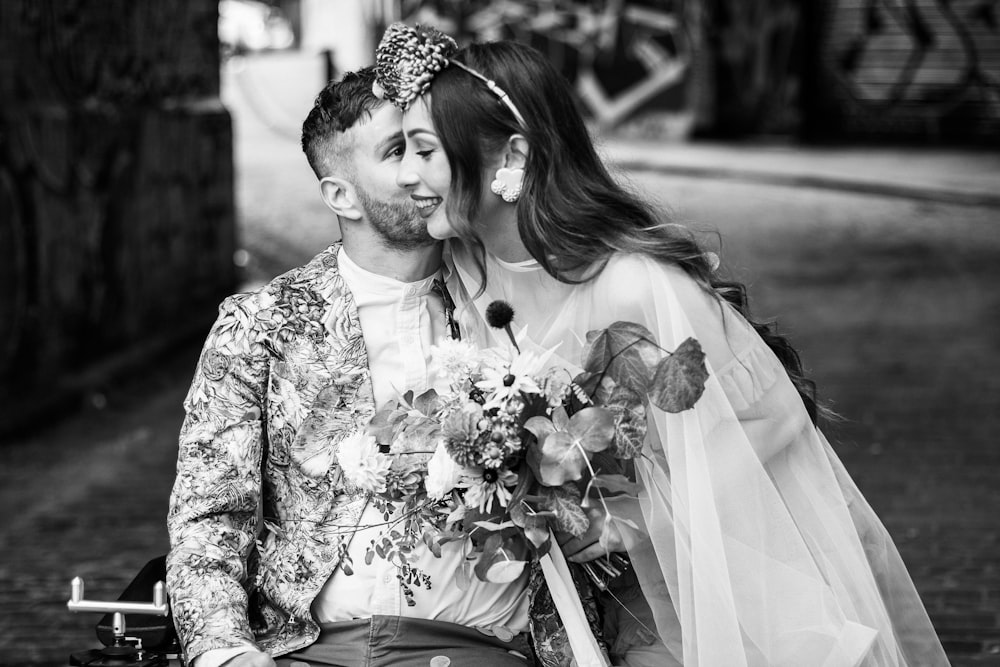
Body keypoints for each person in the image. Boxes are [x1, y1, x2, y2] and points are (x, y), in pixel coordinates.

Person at [374, 22, 951, 667]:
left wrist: (635, 523)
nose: (405, 175)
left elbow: (773, 416)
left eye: (423, 152)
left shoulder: (631, 286)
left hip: (699, 594)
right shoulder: (469, 273)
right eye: (400, 152)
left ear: (512, 157)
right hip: (570, 609)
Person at [167, 67, 578, 667]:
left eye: (427, 147)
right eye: (396, 152)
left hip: (489, 649)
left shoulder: (510, 303)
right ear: (341, 195)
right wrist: (226, 654)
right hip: (317, 652)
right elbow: (208, 517)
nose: (422, 171)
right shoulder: (261, 324)